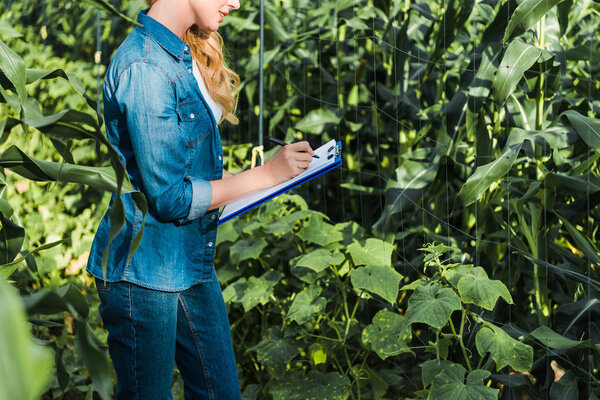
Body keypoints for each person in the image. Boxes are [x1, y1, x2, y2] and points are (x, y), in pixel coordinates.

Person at [86, 0, 315, 399]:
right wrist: (265, 174)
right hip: (143, 274)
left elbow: (187, 170)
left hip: (188, 261)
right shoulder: (144, 67)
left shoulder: (180, 50)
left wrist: (270, 178)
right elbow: (171, 197)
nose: (236, 3)